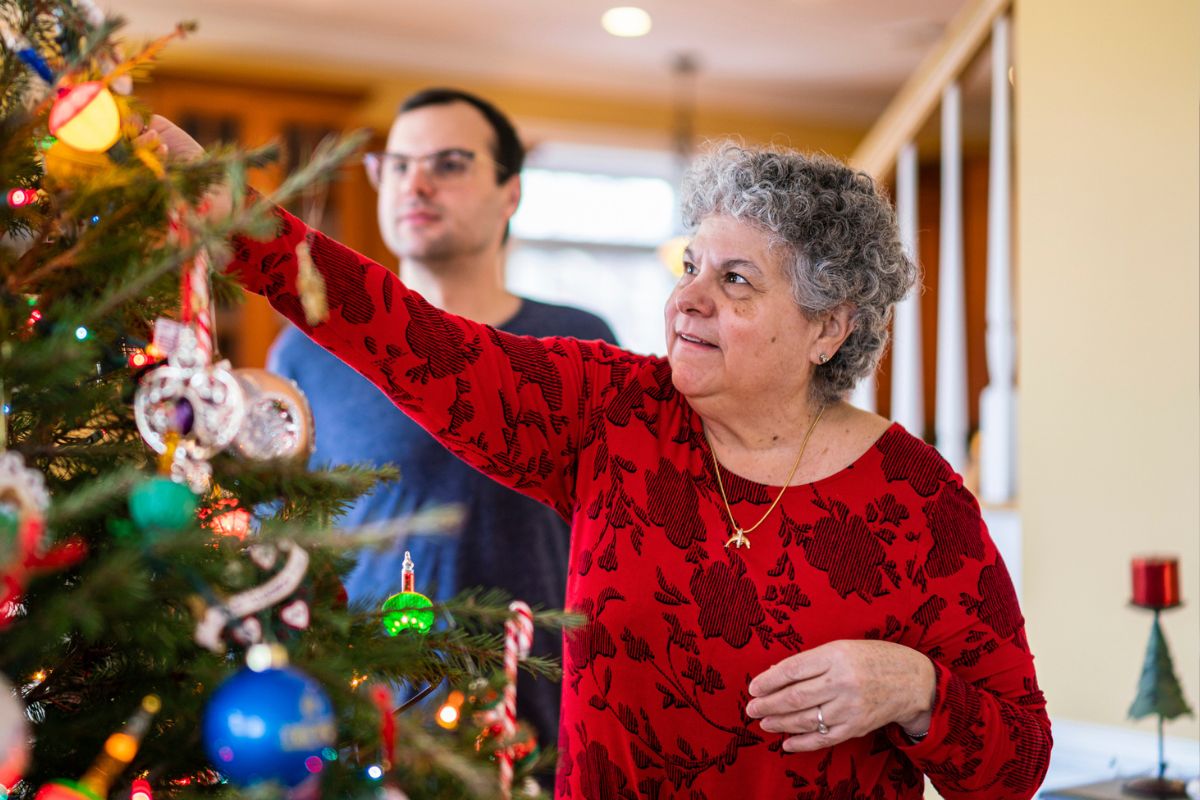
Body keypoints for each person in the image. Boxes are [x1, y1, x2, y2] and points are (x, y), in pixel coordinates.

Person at [153, 115, 1052, 797]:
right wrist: (241, 224)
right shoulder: (612, 409)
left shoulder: (916, 498)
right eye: (690, 265)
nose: (687, 299)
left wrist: (918, 688)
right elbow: (413, 339)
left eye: (734, 280)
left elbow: (1017, 760)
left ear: (828, 327)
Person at [265, 88, 616, 756]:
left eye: (449, 164)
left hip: (543, 730)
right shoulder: (308, 350)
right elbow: (280, 538)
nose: (415, 182)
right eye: (396, 164)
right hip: (366, 735)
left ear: (510, 192)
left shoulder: (576, 346)